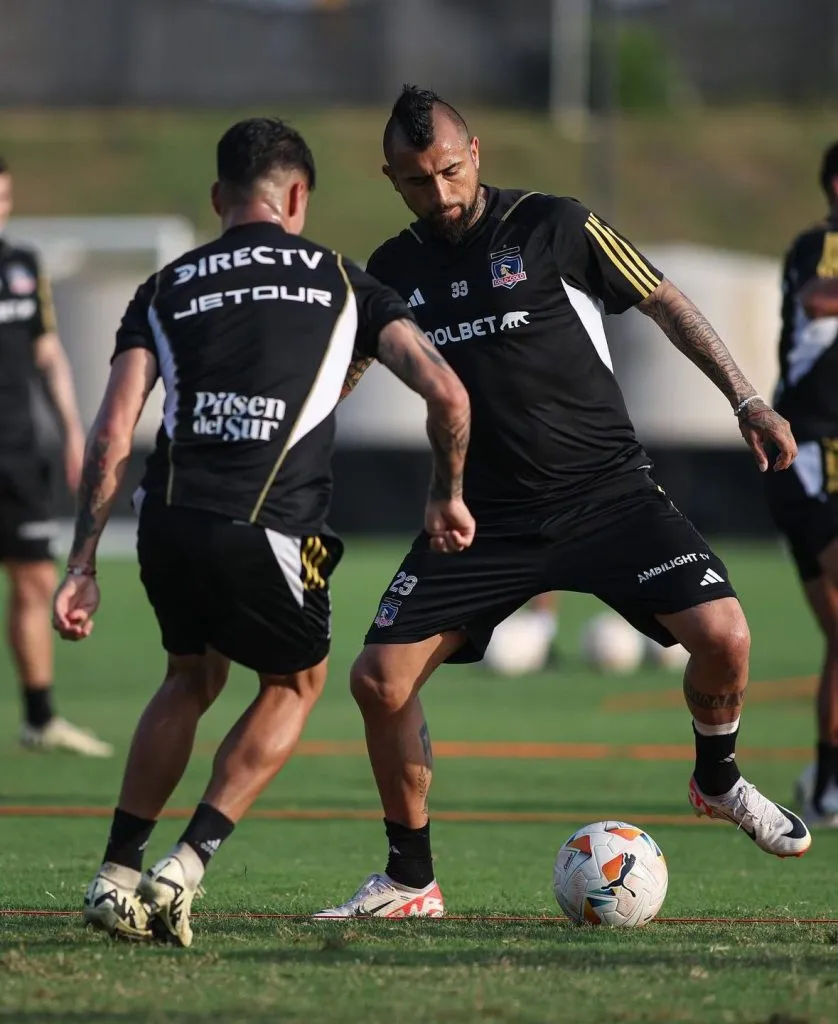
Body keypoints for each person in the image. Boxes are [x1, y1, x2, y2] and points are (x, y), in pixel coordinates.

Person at [315, 86, 811, 920]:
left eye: (447, 171)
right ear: (390, 180)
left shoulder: (555, 224)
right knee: (377, 682)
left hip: (609, 495)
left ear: (476, 151)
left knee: (725, 637)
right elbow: (338, 380)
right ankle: (411, 880)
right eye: (415, 181)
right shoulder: (394, 271)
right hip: (484, 519)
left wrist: (747, 400)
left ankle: (718, 779)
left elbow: (665, 301)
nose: (438, 195)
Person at [51, 116, 473, 946]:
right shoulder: (345, 282)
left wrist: (83, 561)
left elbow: (109, 433)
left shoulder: (166, 286)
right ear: (298, 196)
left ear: (218, 197)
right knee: (293, 684)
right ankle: (186, 866)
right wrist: (446, 494)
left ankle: (115, 873)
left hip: (166, 523)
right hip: (271, 527)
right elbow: (449, 393)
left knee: (188, 678)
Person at [0, 156, 112, 757]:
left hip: (17, 453)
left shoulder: (22, 266)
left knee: (36, 577)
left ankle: (40, 718)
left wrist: (73, 431)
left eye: (5, 198)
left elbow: (47, 354)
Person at [765, 141, 838, 827]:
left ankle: (825, 778)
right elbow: (818, 298)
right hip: (816, 452)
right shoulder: (823, 242)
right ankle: (827, 785)